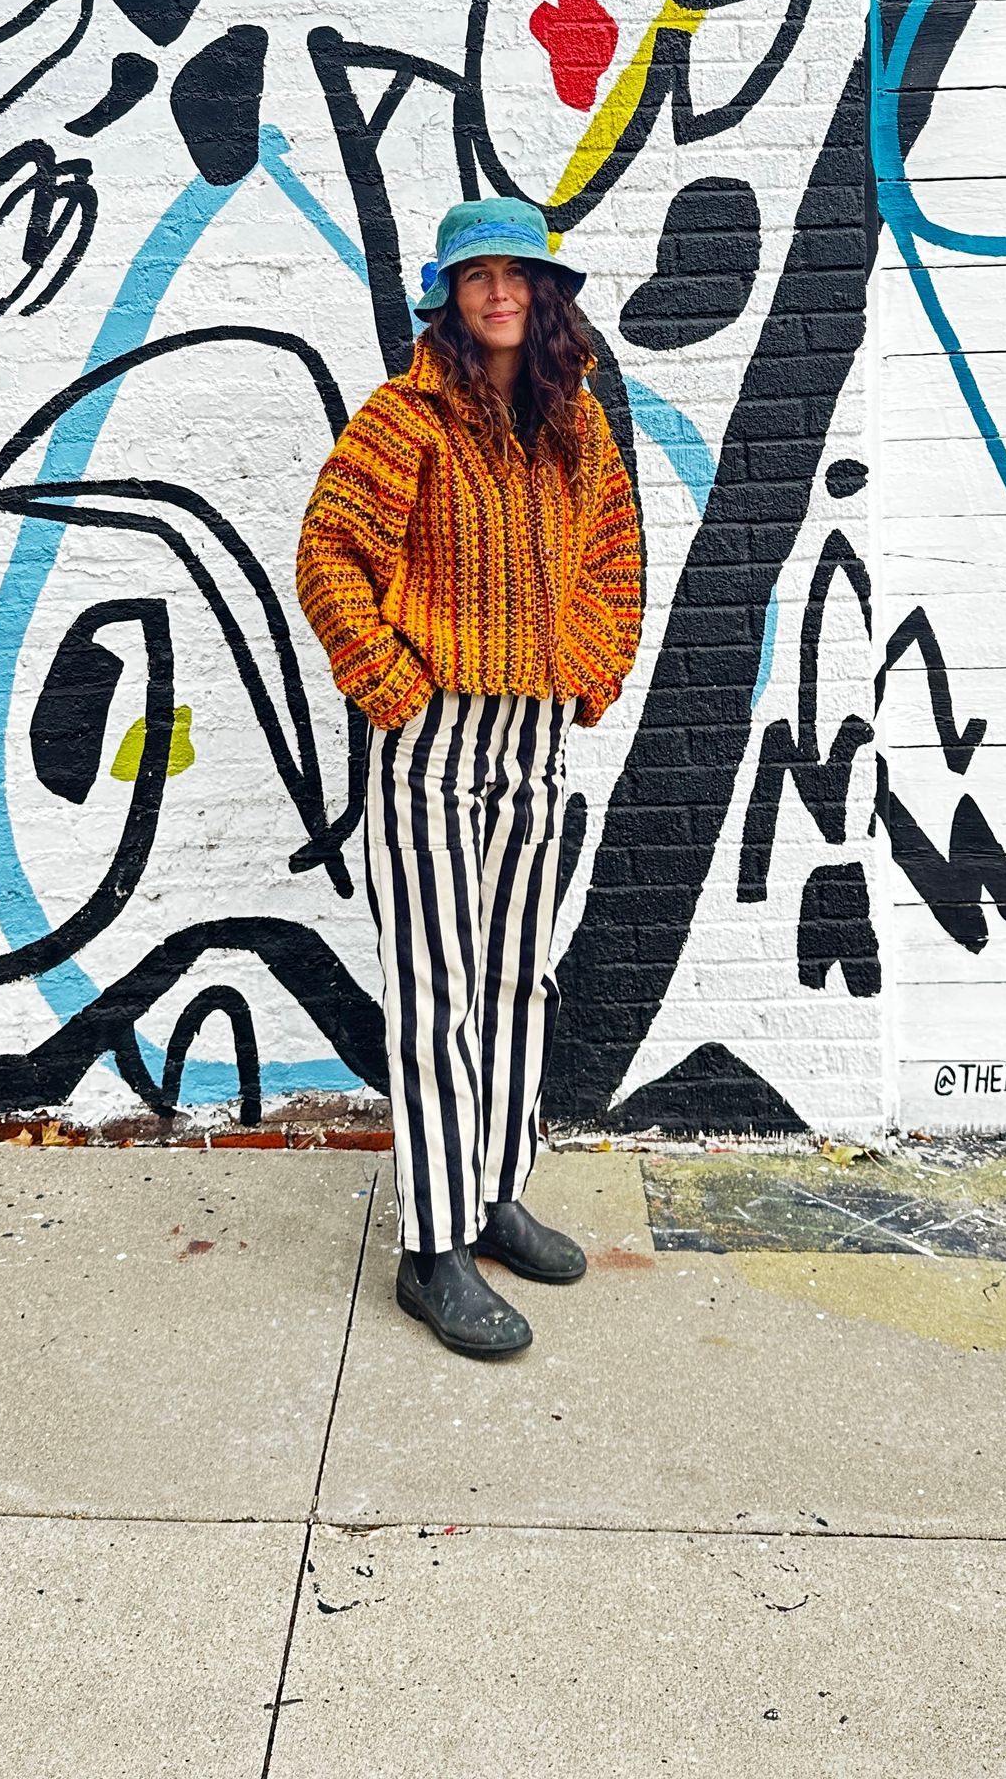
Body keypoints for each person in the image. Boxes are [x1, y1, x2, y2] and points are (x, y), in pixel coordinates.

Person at [296, 197, 644, 1358]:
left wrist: (590, 665)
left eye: (519, 272)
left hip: (534, 736)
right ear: (448, 294)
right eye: (478, 273)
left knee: (514, 979)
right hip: (433, 737)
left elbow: (615, 554)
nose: (500, 291)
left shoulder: (573, 423)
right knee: (436, 987)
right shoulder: (406, 417)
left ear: (547, 293)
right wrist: (391, 683)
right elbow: (329, 553)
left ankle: (493, 1193)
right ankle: (430, 1247)